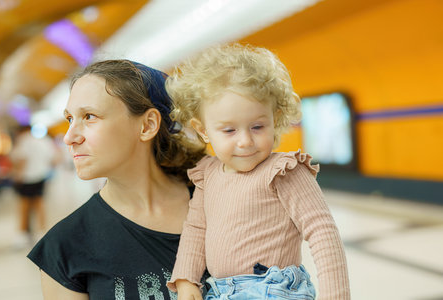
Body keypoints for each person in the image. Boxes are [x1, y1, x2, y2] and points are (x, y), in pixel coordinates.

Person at [165, 43, 351, 299]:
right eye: (229, 130)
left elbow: (322, 231)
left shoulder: (283, 171)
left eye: (257, 127)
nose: (245, 141)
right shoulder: (208, 175)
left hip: (273, 290)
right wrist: (186, 279)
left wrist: (335, 295)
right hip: (219, 291)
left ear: (275, 119)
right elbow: (196, 230)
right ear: (203, 129)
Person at [27, 59, 205, 300]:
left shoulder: (222, 205)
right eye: (70, 119)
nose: (70, 137)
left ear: (147, 125)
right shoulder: (65, 246)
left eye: (89, 116)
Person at [9, 125, 57, 248]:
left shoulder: (23, 140)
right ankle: (40, 232)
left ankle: (22, 235)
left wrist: (17, 175)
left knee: (24, 206)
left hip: (26, 178)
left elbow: (22, 160)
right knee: (39, 204)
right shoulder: (43, 141)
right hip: (41, 176)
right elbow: (54, 158)